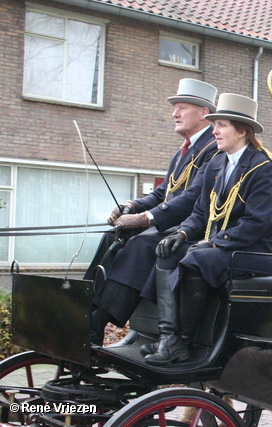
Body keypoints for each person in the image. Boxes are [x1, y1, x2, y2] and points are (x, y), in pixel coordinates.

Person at [144, 93, 272, 366]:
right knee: (167, 252)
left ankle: (185, 340)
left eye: (221, 125)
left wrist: (216, 242)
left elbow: (257, 223)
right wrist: (181, 233)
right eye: (214, 124)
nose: (214, 131)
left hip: (250, 251)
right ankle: (170, 340)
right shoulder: (217, 163)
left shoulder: (263, 167)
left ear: (242, 131)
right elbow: (200, 212)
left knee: (198, 257)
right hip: (219, 245)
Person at [89, 79, 220, 345]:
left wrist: (145, 219)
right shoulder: (184, 150)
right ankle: (85, 304)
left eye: (182, 107)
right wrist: (134, 206)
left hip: (192, 232)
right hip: (169, 226)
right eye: (176, 108)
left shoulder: (215, 148)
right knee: (112, 235)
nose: (175, 113)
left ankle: (100, 322)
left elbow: (193, 198)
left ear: (204, 112)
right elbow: (163, 193)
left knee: (142, 243)